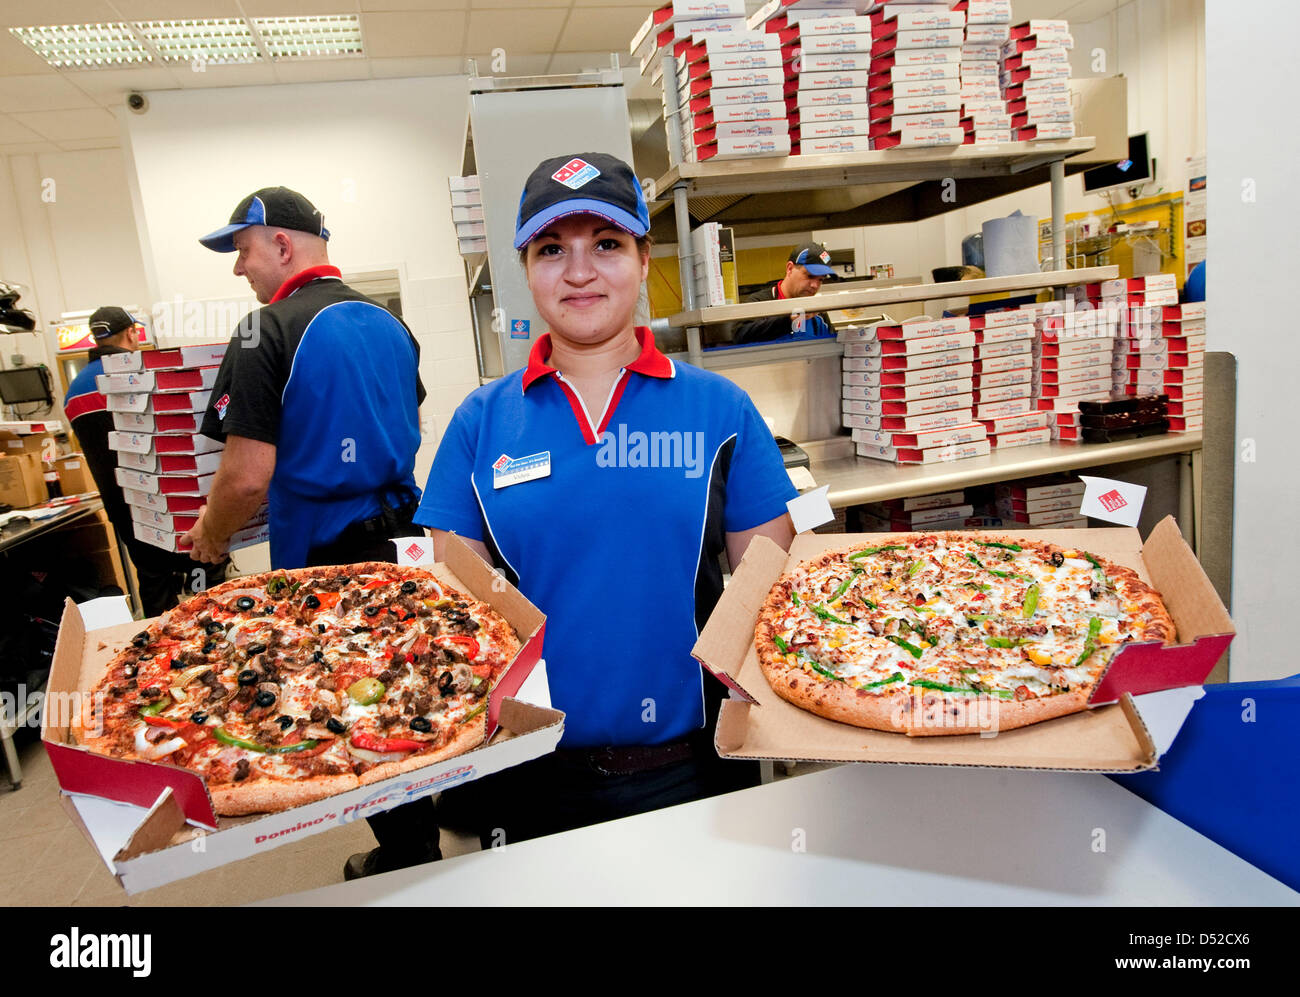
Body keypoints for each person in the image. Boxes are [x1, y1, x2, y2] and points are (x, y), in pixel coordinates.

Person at [343, 152, 798, 879]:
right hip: (529, 778)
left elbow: (766, 597)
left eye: (606, 245)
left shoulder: (720, 410)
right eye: (553, 249)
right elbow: (459, 614)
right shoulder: (481, 423)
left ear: (645, 259)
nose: (579, 271)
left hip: (693, 772)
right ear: (525, 267)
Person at [183, 187, 424, 570]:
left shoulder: (264, 331)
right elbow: (409, 425)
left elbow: (247, 478)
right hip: (408, 540)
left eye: (243, 251)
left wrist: (212, 533)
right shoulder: (392, 322)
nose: (238, 268)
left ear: (282, 247)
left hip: (329, 562)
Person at [63, 306, 228, 615]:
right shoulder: (137, 374)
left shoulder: (73, 392)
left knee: (155, 590)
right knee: (207, 591)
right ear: (130, 333)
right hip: (173, 509)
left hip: (124, 515)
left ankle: (158, 652)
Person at [730, 241, 838, 344]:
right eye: (810, 276)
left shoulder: (817, 314)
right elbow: (740, 335)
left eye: (821, 279)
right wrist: (788, 320)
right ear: (789, 268)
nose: (815, 285)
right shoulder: (760, 302)